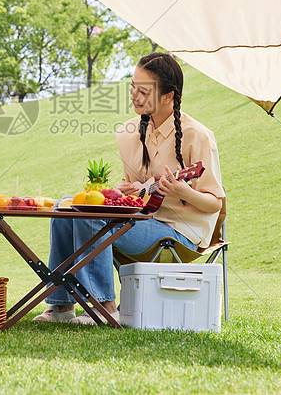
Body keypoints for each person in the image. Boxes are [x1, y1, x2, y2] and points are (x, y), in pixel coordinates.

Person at [33, 52, 226, 324]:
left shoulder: (198, 135)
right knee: (66, 206)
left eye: (143, 90)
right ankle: (61, 306)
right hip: (140, 219)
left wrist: (183, 191)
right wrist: (129, 192)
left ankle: (105, 307)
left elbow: (214, 203)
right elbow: (133, 197)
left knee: (95, 216)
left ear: (168, 96)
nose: (134, 95)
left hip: (181, 231)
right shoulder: (128, 132)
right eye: (132, 86)